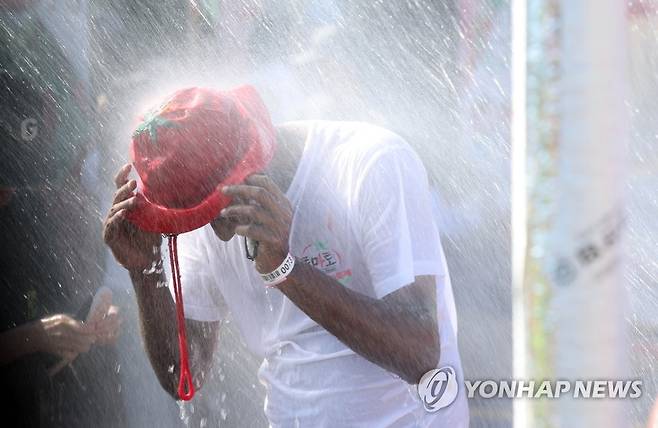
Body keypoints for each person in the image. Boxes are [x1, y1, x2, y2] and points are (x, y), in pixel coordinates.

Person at [103, 86, 469, 426]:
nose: (216, 231)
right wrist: (145, 271)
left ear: (251, 160)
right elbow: (183, 376)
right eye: (192, 219)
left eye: (214, 210)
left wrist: (287, 271)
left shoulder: (372, 163)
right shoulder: (205, 201)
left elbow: (420, 354)